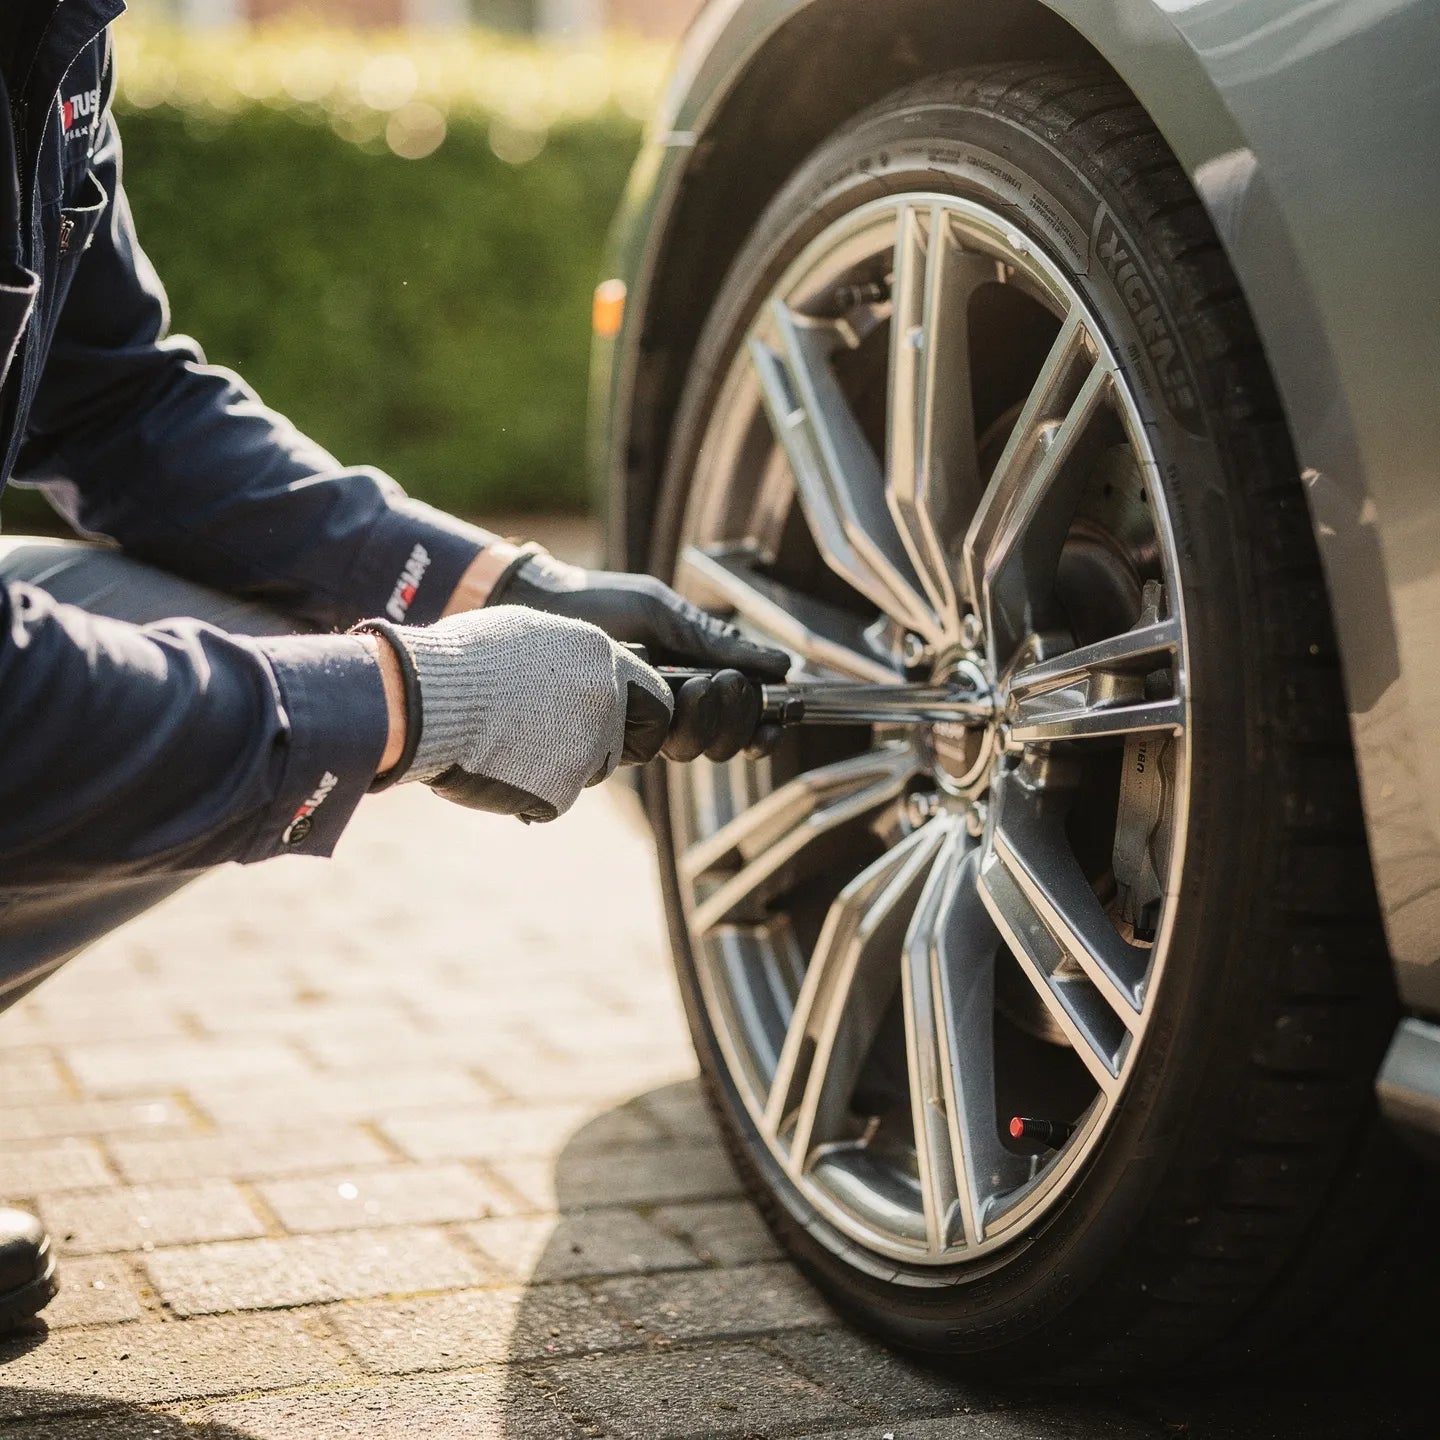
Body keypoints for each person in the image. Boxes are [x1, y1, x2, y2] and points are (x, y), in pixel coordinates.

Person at [0, 3, 788, 1331]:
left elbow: (118, 402)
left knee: (242, 641)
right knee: (271, 691)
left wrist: (498, 586)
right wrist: (420, 702)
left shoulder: (56, 35)